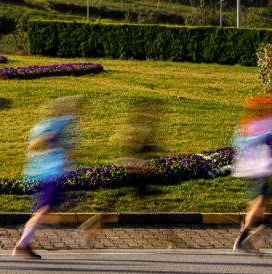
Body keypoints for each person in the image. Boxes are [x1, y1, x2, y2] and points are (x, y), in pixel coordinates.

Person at [78, 97, 165, 244]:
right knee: (115, 206)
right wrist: (149, 161)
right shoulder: (142, 127)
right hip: (134, 173)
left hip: (136, 172)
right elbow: (137, 151)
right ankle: (169, 237)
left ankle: (91, 226)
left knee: (114, 205)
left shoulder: (143, 126)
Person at [13, 96, 80, 259]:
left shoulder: (44, 125)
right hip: (51, 174)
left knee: (41, 211)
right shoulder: (55, 126)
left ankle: (26, 243)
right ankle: (22, 244)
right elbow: (40, 142)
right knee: (43, 211)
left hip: (41, 173)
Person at [231, 92, 272, 254]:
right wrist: (269, 136)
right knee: (259, 203)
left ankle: (245, 233)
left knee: (258, 204)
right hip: (258, 168)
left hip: (256, 168)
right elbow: (248, 142)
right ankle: (242, 240)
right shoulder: (263, 123)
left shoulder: (253, 123)